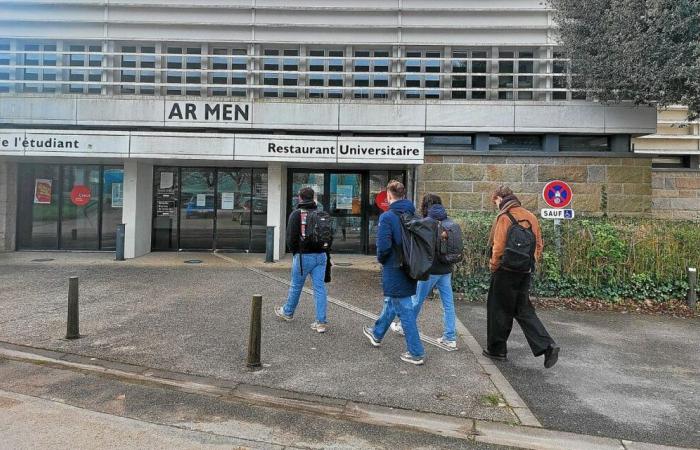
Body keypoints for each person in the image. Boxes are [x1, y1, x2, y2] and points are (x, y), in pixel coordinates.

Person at [484, 185, 560, 368]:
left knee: (498, 310)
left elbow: (499, 247)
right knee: (523, 309)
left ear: (500, 198)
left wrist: (494, 266)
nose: (495, 204)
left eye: (495, 201)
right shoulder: (531, 216)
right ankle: (547, 345)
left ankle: (497, 350)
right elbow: (539, 245)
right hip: (525, 271)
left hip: (505, 271)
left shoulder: (503, 217)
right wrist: (530, 263)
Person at [362, 181, 425, 365]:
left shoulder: (388, 217)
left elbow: (383, 247)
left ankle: (416, 352)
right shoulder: (413, 215)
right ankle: (376, 333)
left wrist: (382, 261)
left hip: (394, 267)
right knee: (393, 300)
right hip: (410, 266)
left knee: (404, 309)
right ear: (403, 195)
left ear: (389, 196)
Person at [390, 193, 458, 350]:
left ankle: (403, 326)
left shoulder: (427, 223)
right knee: (448, 304)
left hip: (431, 270)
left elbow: (409, 225)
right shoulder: (449, 222)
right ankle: (450, 337)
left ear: (425, 206)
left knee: (416, 300)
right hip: (446, 269)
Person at [275, 186, 329, 333]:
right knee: (319, 288)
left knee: (296, 285)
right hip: (321, 256)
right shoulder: (321, 213)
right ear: (313, 198)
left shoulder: (296, 214)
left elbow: (291, 239)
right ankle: (321, 322)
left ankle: (287, 312)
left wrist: (295, 252)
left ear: (300, 197)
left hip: (303, 256)